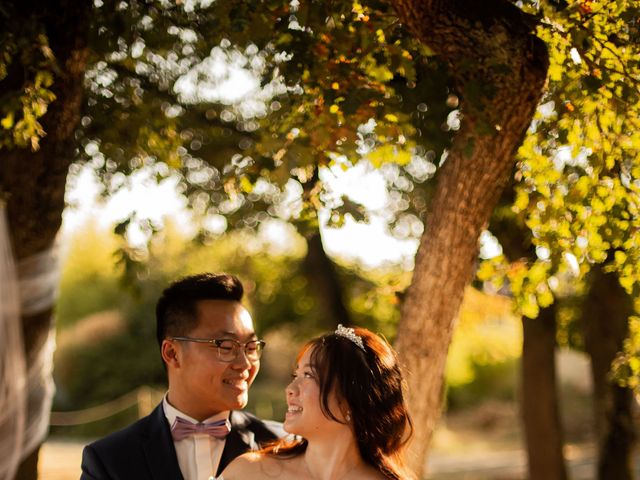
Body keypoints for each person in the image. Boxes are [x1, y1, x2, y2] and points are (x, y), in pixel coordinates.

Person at [81, 273, 283, 480]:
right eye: (226, 346)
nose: (245, 363)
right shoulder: (110, 460)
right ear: (172, 353)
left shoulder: (285, 447)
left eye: (251, 347)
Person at [220, 324, 415, 480]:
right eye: (295, 374)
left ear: (351, 397)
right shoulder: (247, 473)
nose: (290, 389)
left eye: (308, 375)